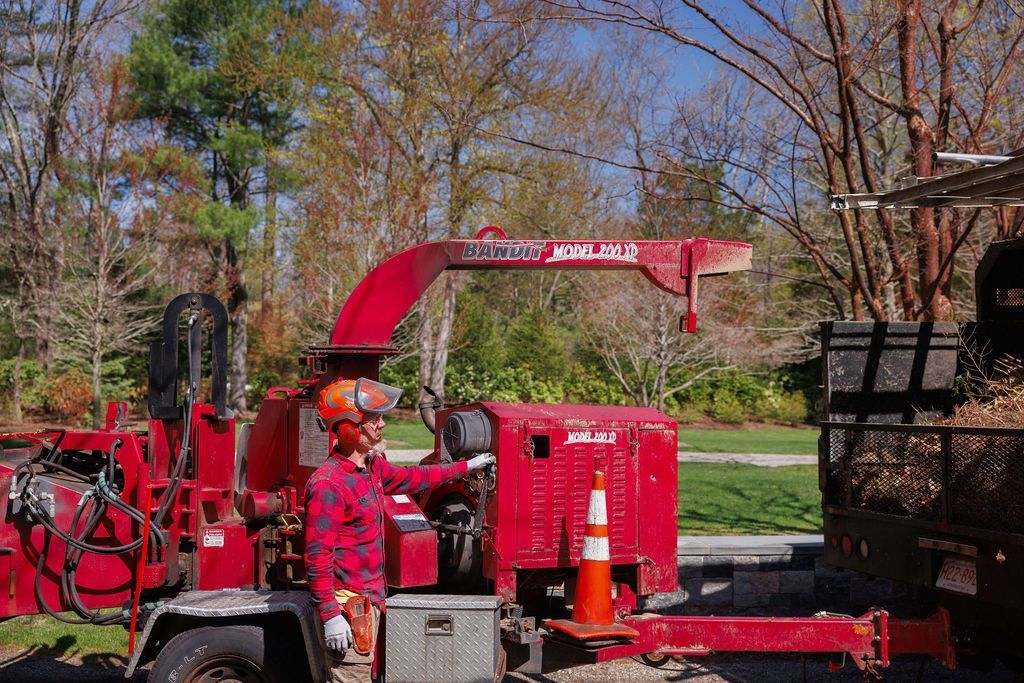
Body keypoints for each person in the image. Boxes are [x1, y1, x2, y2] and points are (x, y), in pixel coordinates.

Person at [304, 377, 494, 683]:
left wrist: (466, 468)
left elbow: (414, 477)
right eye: (373, 419)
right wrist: (329, 616)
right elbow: (317, 557)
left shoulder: (371, 468)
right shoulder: (330, 485)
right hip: (346, 608)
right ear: (348, 429)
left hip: (368, 602)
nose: (382, 425)